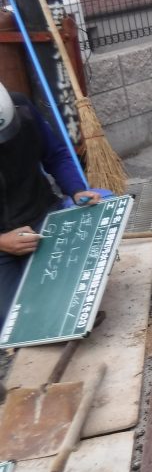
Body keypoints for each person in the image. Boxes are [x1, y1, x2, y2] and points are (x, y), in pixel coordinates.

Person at [0, 82, 107, 329]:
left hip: (42, 219)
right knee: (14, 322)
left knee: (70, 301)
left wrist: (76, 188)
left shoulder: (22, 107)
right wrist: (3, 242)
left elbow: (56, 154)